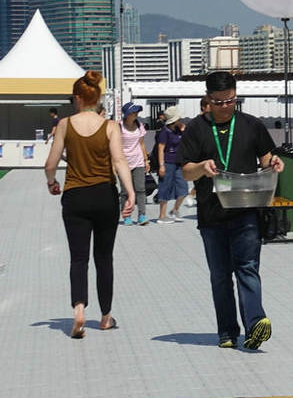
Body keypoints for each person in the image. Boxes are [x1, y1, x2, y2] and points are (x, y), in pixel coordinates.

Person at [178, 71, 284, 350]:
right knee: (220, 276)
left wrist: (273, 162)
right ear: (208, 99)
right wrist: (202, 167)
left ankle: (255, 324)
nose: (226, 107)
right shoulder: (196, 129)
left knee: (247, 267)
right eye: (219, 102)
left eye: (231, 101)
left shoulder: (251, 125)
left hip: (246, 209)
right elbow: (186, 171)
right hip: (211, 213)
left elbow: (266, 156)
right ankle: (226, 331)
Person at [44, 71, 135, 338]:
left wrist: (52, 182)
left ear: (77, 98)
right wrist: (130, 192)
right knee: (104, 258)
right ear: (97, 98)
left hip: (75, 197)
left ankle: (79, 310)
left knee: (78, 258)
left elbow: (50, 164)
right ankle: (105, 317)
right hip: (105, 196)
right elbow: (119, 161)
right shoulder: (110, 126)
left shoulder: (65, 125)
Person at [119, 102, 150, 226]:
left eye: (137, 112)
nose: (136, 114)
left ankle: (142, 215)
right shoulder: (119, 127)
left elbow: (141, 144)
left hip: (138, 161)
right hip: (124, 163)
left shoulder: (139, 125)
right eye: (134, 112)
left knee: (140, 189)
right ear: (127, 114)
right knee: (125, 191)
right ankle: (126, 215)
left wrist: (146, 160)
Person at [155, 107, 189, 224]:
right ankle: (162, 215)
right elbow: (160, 148)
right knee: (165, 187)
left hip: (179, 163)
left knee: (183, 188)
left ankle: (175, 210)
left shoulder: (179, 130)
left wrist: (184, 131)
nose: (181, 120)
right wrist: (161, 165)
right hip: (167, 162)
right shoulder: (165, 132)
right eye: (179, 119)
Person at [185, 95, 211, 209]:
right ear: (204, 107)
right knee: (202, 183)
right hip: (200, 161)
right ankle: (192, 196)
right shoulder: (195, 124)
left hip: (214, 161)